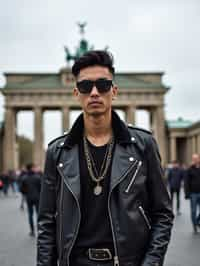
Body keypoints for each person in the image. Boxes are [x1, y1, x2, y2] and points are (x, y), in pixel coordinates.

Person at [37, 50, 174, 266]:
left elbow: (163, 213)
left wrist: (151, 263)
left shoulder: (143, 145)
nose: (94, 93)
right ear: (76, 93)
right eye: (85, 86)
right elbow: (46, 221)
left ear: (114, 91)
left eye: (103, 85)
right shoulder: (57, 151)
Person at [21, 163, 41, 236]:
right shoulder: (38, 177)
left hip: (29, 198)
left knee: (30, 214)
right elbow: (41, 188)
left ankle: (32, 231)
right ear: (32, 168)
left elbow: (22, 190)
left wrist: (26, 193)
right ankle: (39, 230)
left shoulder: (24, 178)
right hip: (37, 197)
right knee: (38, 214)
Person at [184, 153, 200, 233]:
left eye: (196, 158)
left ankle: (197, 221)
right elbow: (186, 182)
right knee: (193, 211)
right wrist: (187, 194)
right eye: (194, 159)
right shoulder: (189, 169)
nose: (195, 160)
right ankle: (194, 226)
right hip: (193, 193)